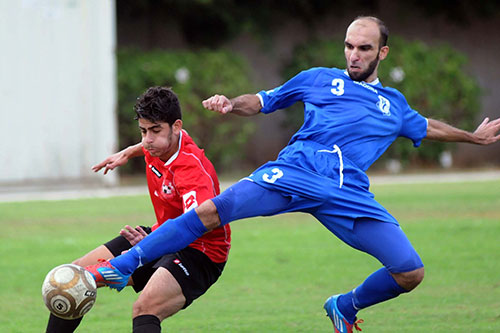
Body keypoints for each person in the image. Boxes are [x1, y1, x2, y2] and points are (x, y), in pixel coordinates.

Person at [86, 16, 500, 332]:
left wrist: (473, 138)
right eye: (349, 46)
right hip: (293, 172)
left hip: (346, 193)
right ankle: (126, 264)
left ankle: (345, 306)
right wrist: (232, 103)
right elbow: (263, 101)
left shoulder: (394, 106)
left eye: (364, 48)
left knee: (410, 271)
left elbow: (427, 126)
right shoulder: (318, 79)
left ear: (382, 53)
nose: (353, 54)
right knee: (214, 211)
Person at [46, 86, 231, 333]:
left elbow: (195, 226)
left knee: (145, 309)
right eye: (143, 131)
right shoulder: (159, 144)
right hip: (159, 235)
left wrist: (152, 246)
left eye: (155, 131)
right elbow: (147, 145)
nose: (147, 139)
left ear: (176, 126)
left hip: (201, 252)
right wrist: (126, 152)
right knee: (73, 278)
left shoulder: (191, 171)